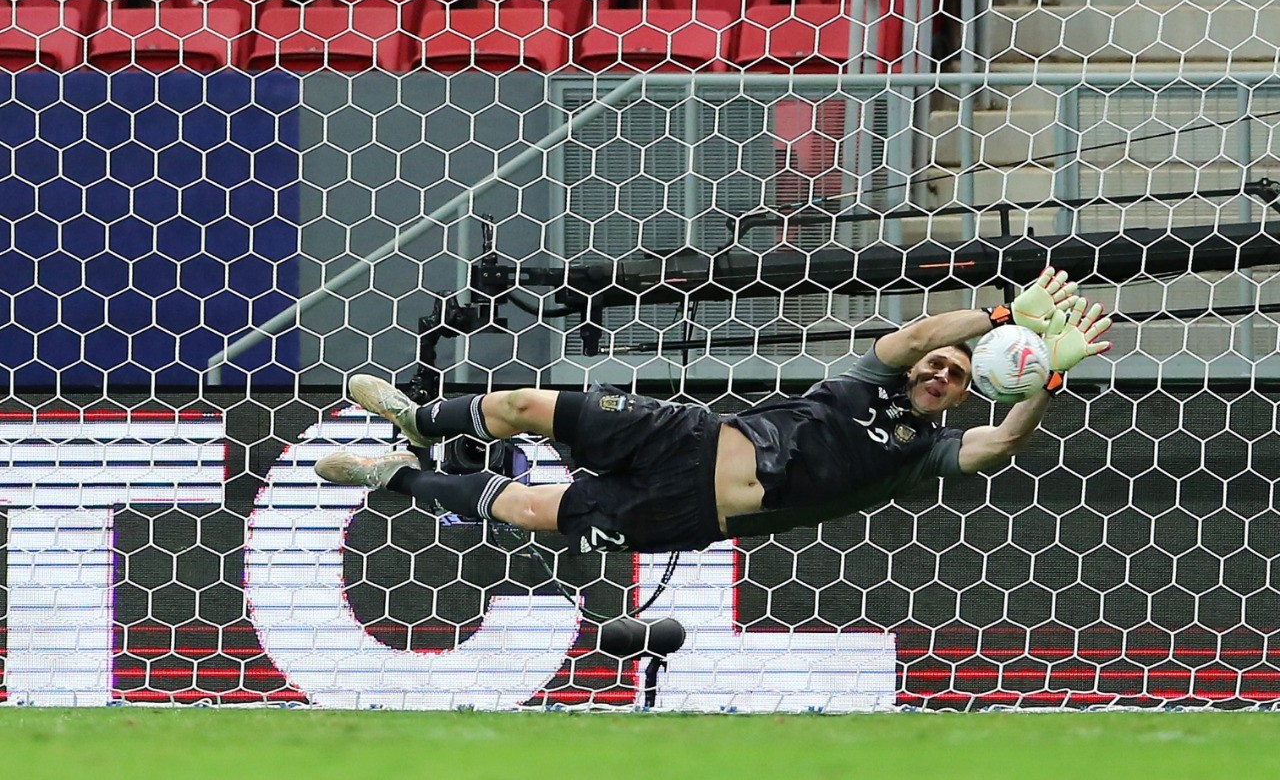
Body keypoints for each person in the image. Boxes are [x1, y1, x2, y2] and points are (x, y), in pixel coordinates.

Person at [315, 267, 1113, 554]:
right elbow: (921, 330)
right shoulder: (869, 376)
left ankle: (396, 475)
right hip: (686, 433)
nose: (941, 369)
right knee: (524, 402)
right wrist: (1004, 318)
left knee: (526, 506)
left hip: (684, 509)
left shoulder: (922, 453)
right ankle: (424, 420)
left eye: (955, 375)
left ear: (968, 391)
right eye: (938, 364)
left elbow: (1000, 446)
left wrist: (1045, 382)